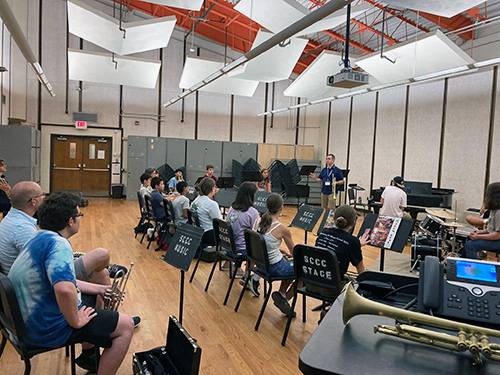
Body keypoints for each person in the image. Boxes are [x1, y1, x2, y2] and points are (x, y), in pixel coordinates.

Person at [8, 192, 135, 375]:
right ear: (70, 221)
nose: (80, 219)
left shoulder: (39, 237)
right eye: (79, 215)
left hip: (25, 323)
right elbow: (64, 289)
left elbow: (64, 281)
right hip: (44, 329)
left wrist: (100, 289)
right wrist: (76, 320)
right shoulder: (59, 245)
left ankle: (90, 354)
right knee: (126, 325)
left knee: (99, 290)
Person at [0, 182, 114, 287]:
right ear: (33, 201)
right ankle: (102, 266)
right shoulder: (22, 229)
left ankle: (101, 301)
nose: (44, 197)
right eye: (42, 195)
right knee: (101, 255)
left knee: (102, 273)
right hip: (34, 284)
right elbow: (49, 269)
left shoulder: (12, 219)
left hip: (28, 278)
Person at [253, 193, 298, 316]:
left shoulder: (257, 221)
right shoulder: (282, 229)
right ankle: (285, 297)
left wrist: (280, 250)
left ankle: (282, 293)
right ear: (281, 208)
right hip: (274, 267)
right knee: (301, 269)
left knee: (290, 266)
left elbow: (263, 244)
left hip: (260, 264)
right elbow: (295, 252)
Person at [315, 205, 369, 280]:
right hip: (334, 285)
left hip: (315, 279)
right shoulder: (352, 242)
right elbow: (360, 267)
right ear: (353, 223)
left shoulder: (323, 233)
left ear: (334, 219)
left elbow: (336, 245)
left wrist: (356, 245)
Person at [226, 182, 259, 281]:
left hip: (229, 247)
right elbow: (256, 234)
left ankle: (237, 269)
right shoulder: (252, 212)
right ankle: (247, 276)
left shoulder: (232, 208)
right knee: (258, 249)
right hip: (241, 250)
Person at [463, 182, 500, 259]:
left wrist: (479, 237)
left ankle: (474, 269)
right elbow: (491, 229)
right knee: (467, 239)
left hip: (498, 241)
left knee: (471, 245)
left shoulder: (499, 212)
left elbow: (498, 235)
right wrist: (479, 232)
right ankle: (462, 265)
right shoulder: (494, 209)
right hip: (496, 238)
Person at [191, 177, 221, 247]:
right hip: (208, 235)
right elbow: (219, 223)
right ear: (212, 188)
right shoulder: (212, 204)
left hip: (198, 233)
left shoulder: (196, 200)